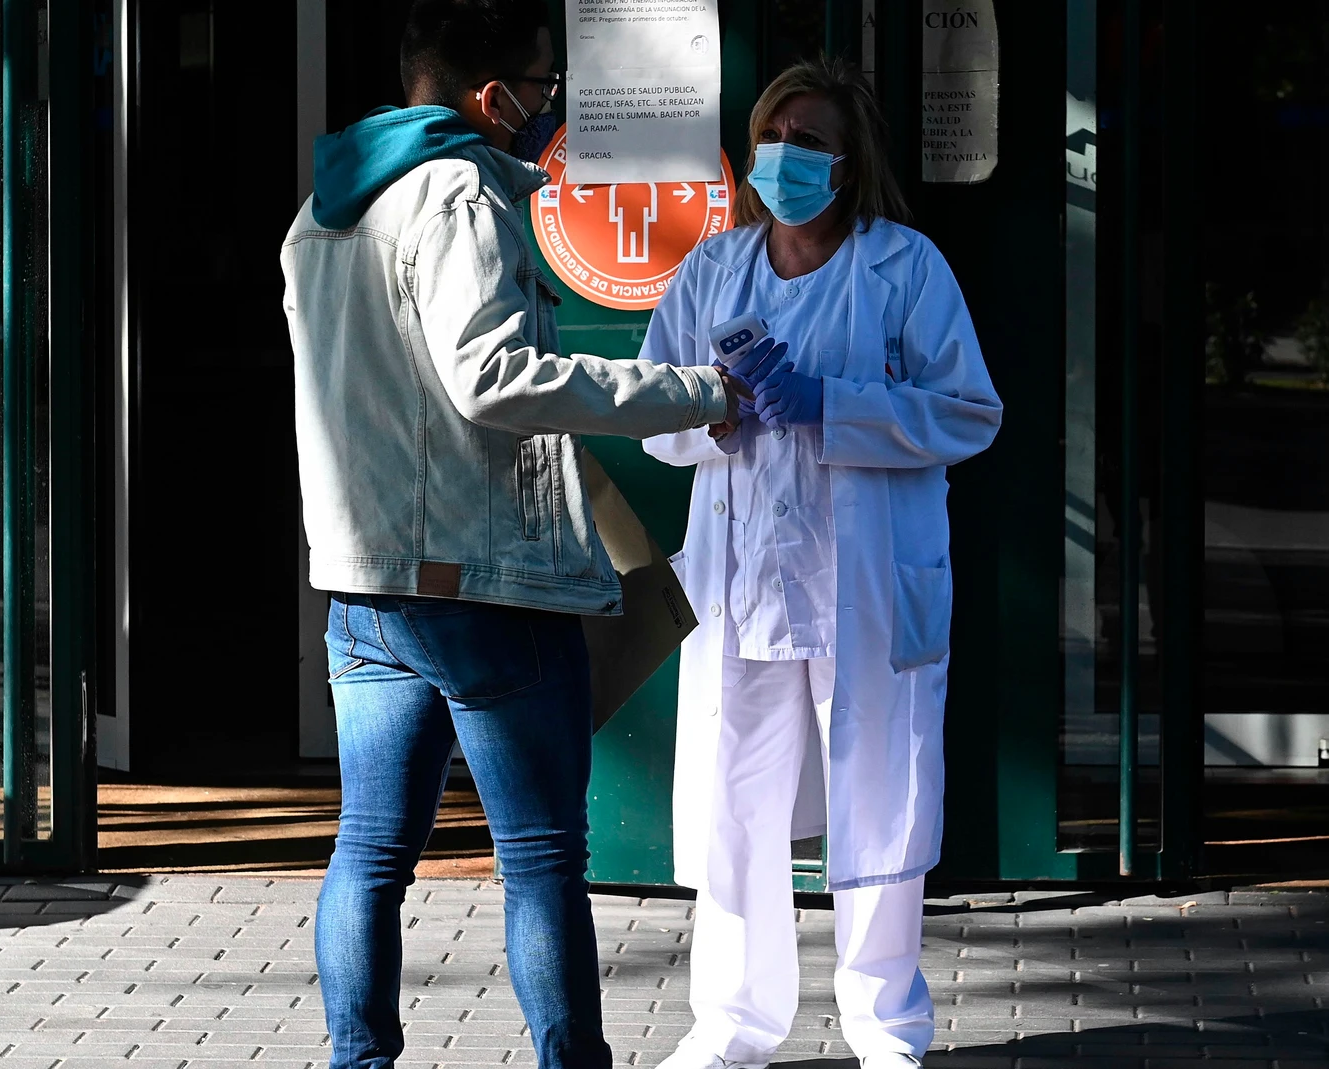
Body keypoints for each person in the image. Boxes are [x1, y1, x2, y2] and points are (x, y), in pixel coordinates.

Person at [279, 2, 750, 1067]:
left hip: (368, 586)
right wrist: (694, 389)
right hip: (484, 583)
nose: (549, 113)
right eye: (542, 90)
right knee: (541, 861)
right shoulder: (458, 192)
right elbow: (491, 377)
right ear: (491, 98)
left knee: (368, 852)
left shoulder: (320, 212)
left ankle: (359, 1061)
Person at [638, 57, 1003, 1069]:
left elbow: (968, 412)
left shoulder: (906, 266)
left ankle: (886, 1031)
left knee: (879, 800)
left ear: (848, 162)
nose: (785, 156)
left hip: (864, 583)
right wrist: (715, 405)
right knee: (733, 806)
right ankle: (731, 1029)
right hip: (745, 578)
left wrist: (831, 405)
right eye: (774, 135)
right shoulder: (711, 267)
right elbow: (650, 413)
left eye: (808, 140)